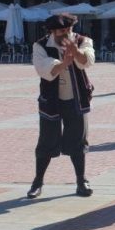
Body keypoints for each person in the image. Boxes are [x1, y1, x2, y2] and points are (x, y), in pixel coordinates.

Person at [28, 13, 95, 199]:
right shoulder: (40, 46)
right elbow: (43, 69)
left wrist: (76, 52)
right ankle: (38, 181)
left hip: (76, 100)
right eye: (61, 31)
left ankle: (81, 181)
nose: (66, 34)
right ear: (52, 32)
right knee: (46, 141)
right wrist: (63, 63)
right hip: (51, 101)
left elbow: (87, 61)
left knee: (78, 140)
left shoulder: (82, 41)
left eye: (68, 30)